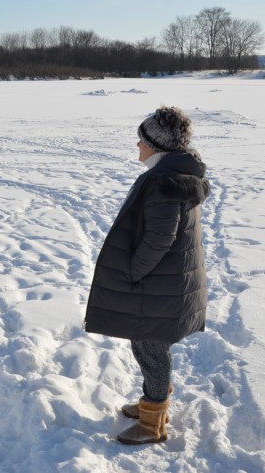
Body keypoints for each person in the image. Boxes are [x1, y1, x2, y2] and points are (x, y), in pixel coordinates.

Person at [84, 106, 210, 445]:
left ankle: (153, 422)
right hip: (165, 283)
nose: (137, 145)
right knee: (149, 348)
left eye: (141, 140)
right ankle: (153, 403)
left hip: (156, 285)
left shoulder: (163, 183)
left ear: (156, 146)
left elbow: (159, 238)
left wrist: (132, 273)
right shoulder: (176, 175)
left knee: (151, 350)